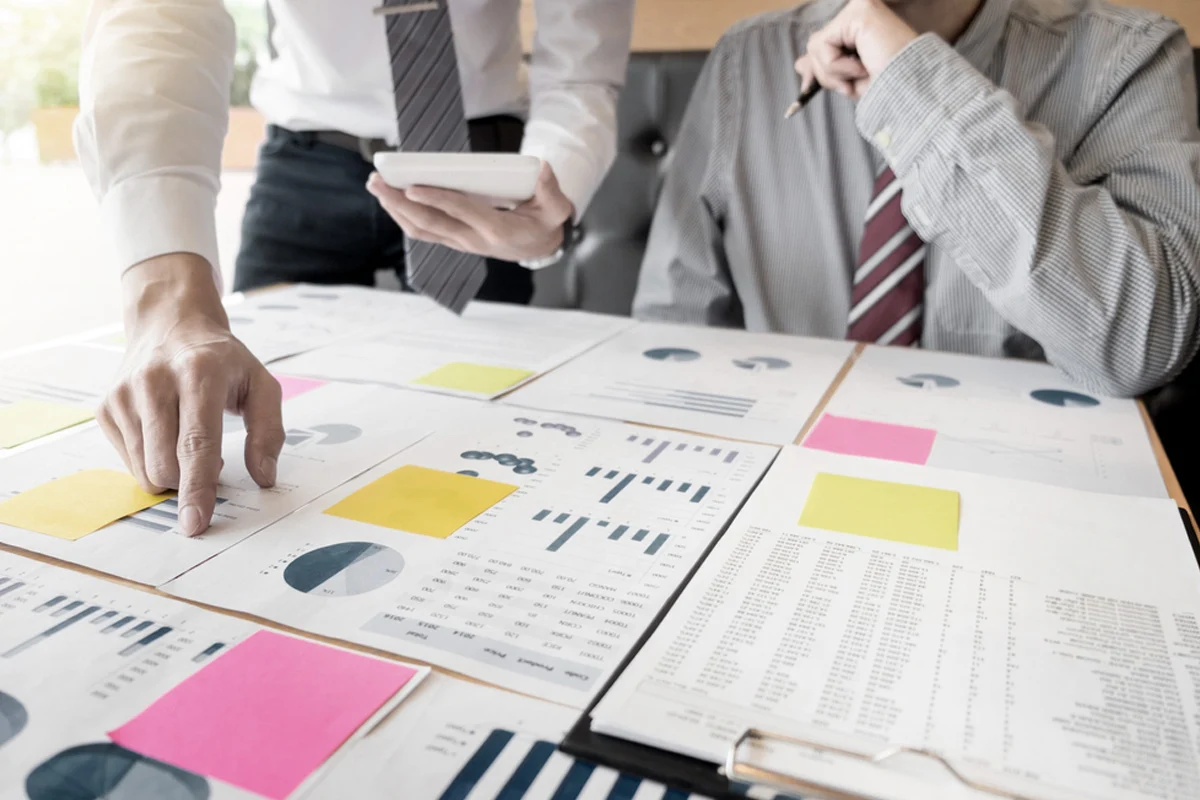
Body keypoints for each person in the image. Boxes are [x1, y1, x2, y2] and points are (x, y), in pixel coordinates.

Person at [75, 0, 634, 537]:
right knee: (246, 384)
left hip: (478, 166)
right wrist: (167, 292)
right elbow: (157, 14)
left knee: (482, 406)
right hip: (304, 160)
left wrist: (550, 192)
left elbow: (581, 70)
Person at [634, 0, 1200, 396]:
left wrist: (914, 83)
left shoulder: (1129, 56)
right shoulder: (746, 59)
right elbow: (670, 325)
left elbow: (1142, 346)